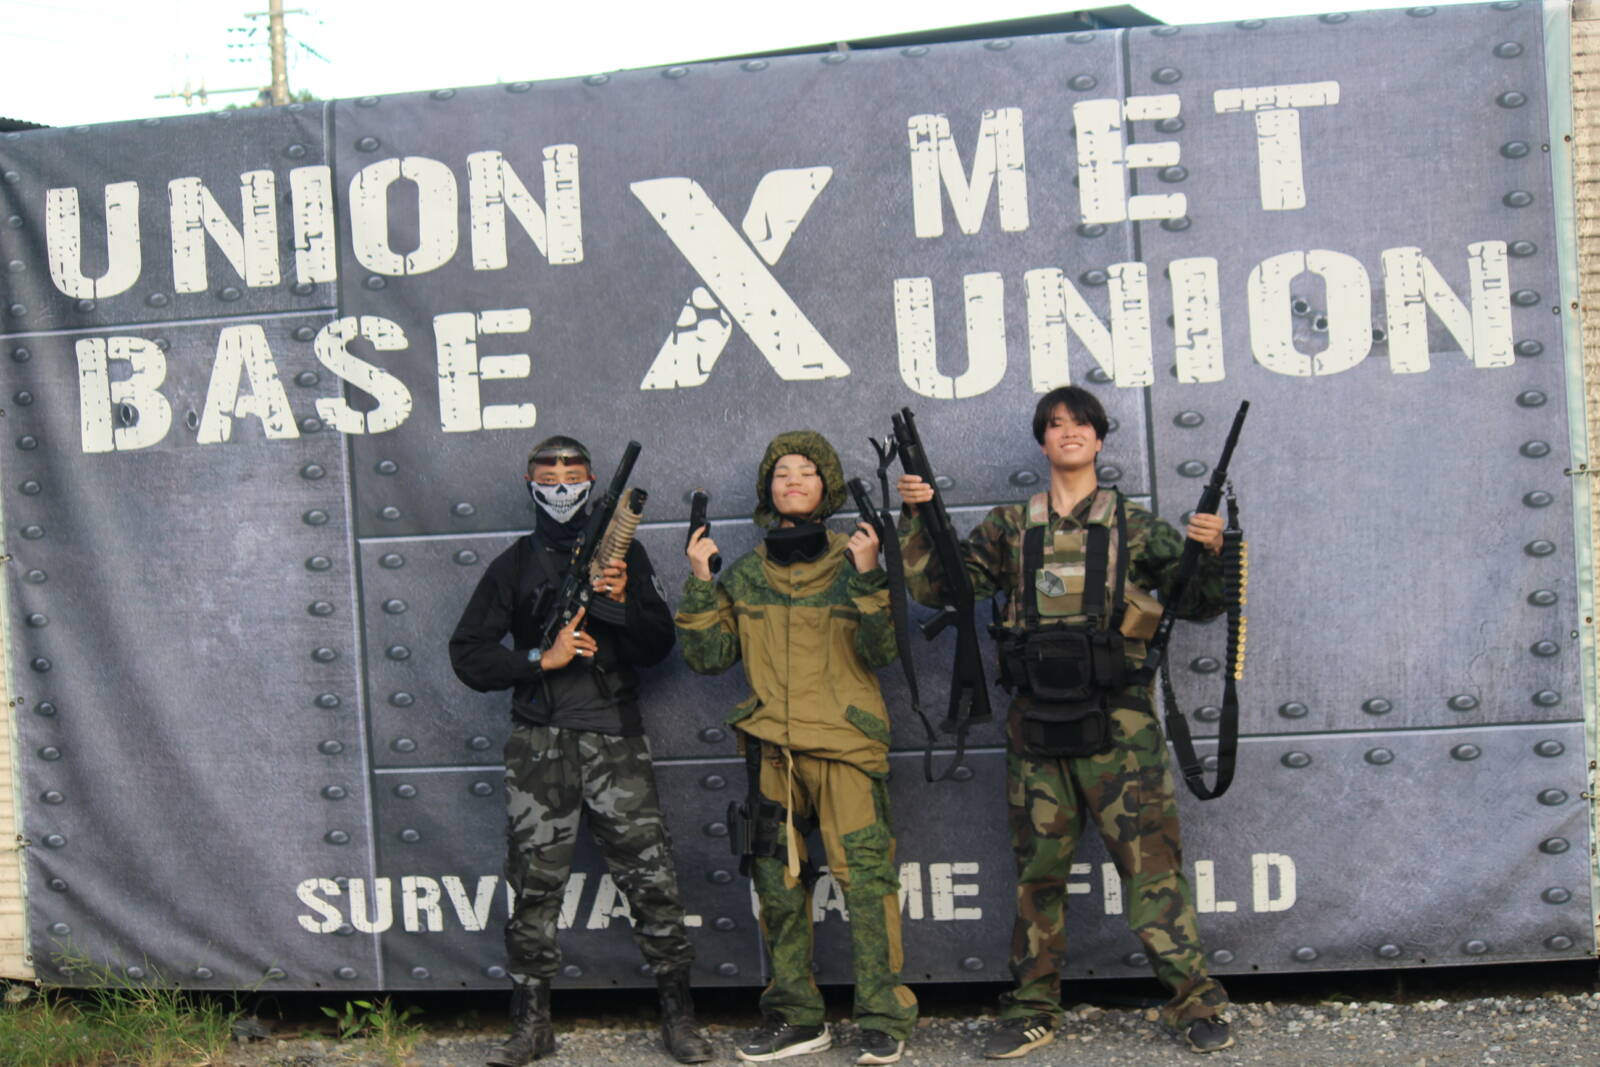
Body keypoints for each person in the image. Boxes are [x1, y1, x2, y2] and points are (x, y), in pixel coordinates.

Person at [896, 386, 1235, 1058]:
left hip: (1121, 725)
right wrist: (917, 518)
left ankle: (1194, 1000)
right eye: (1055, 424)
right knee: (1038, 873)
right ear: (1043, 440)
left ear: (1100, 438)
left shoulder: (1133, 525)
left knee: (1152, 868)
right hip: (1037, 727)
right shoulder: (1010, 526)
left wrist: (1213, 549)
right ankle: (1032, 1006)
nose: (1069, 432)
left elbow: (1199, 604)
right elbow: (942, 588)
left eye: (1081, 423)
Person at [449, 435, 713, 1067]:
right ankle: (531, 1025)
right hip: (539, 744)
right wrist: (541, 658)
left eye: (573, 475)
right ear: (530, 483)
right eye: (549, 476)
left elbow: (657, 646)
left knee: (651, 881)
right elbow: (469, 654)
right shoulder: (514, 564)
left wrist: (618, 602)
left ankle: (679, 1018)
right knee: (533, 887)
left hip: (615, 739)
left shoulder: (627, 554)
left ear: (592, 482)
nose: (562, 485)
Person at [676, 431, 918, 1066]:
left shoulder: (855, 557)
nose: (793, 480)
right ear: (768, 489)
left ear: (827, 485)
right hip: (772, 753)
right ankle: (795, 1016)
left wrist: (869, 574)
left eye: (807, 470)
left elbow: (882, 652)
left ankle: (882, 1017)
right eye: (781, 472)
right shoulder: (746, 573)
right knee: (776, 886)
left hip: (844, 747)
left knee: (865, 881)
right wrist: (700, 580)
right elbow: (708, 657)